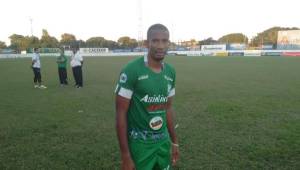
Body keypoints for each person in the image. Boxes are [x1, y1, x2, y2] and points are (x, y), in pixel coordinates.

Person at [115, 23, 179, 170]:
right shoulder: (131, 70)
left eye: (164, 41)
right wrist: (125, 155)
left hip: (162, 143)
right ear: (146, 43)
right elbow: (120, 113)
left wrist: (174, 141)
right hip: (140, 145)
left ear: (169, 43)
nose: (161, 45)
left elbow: (168, 108)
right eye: (155, 40)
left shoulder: (170, 72)